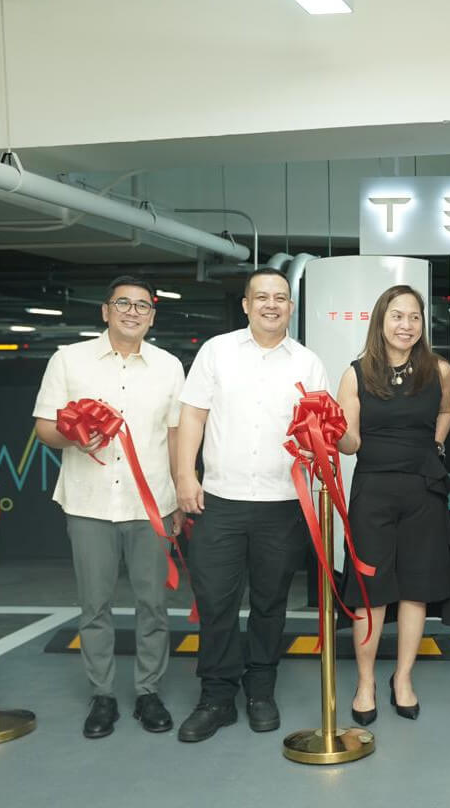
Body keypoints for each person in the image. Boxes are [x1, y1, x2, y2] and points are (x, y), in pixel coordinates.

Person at [175, 268, 327, 742]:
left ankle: (261, 690)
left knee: (270, 601)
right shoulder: (216, 351)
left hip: (283, 503)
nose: (271, 305)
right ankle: (216, 697)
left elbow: (319, 427)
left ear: (291, 307)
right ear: (245, 305)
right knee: (216, 602)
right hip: (221, 500)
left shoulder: (307, 362)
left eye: (280, 297)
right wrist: (185, 475)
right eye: (261, 297)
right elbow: (192, 416)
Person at [32, 275, 183, 738]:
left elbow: (174, 436)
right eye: (123, 303)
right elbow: (44, 427)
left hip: (150, 505)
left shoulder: (169, 366)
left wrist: (178, 496)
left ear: (152, 316)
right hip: (89, 502)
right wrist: (73, 437)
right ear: (105, 311)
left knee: (153, 605)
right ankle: (102, 695)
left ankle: (148, 691)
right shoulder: (68, 360)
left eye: (142, 305)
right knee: (94, 606)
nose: (132, 312)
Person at [334, 284, 450, 725]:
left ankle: (402, 678)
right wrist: (329, 434)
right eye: (397, 316)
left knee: (415, 589)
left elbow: (447, 410)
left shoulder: (439, 370)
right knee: (370, 592)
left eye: (414, 317)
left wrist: (436, 444)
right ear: (381, 321)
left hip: (424, 489)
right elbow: (351, 442)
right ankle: (365, 681)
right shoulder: (355, 374)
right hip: (373, 491)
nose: (406, 325)